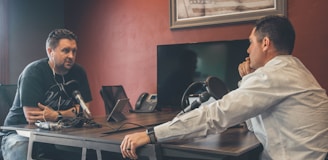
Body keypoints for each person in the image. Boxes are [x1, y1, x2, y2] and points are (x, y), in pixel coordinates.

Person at [120, 15, 328, 160]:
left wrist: (151, 134)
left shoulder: (273, 75)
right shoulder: (293, 70)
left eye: (250, 43)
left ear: (265, 43)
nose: (247, 49)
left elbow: (216, 115)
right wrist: (248, 80)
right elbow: (249, 120)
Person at [1, 29, 92, 160]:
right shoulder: (33, 72)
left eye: (74, 51)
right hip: (19, 132)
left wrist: (57, 115)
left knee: (88, 149)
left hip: (57, 131)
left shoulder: (79, 72)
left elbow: (85, 111)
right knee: (22, 148)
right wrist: (71, 113)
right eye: (65, 50)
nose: (71, 56)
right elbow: (32, 118)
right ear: (50, 52)